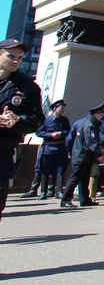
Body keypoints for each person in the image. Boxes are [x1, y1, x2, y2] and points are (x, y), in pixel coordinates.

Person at [0, 38, 44, 222]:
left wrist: (16, 122)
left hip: (2, 149)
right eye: (11, 56)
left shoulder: (28, 88)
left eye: (19, 57)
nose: (16, 60)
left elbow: (36, 120)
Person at [59, 103, 104, 208]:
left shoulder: (86, 122)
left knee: (84, 179)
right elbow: (90, 142)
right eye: (101, 113)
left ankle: (85, 199)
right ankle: (66, 199)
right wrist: (99, 154)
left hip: (83, 156)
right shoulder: (90, 125)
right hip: (82, 156)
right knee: (75, 177)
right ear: (96, 114)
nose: (102, 115)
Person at [35, 100, 70, 199]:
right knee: (45, 170)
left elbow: (68, 131)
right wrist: (50, 135)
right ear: (55, 108)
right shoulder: (47, 120)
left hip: (60, 148)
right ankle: (43, 192)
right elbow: (39, 132)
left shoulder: (64, 120)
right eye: (61, 108)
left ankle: (58, 191)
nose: (62, 110)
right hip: (49, 148)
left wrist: (60, 133)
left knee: (60, 170)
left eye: (63, 108)